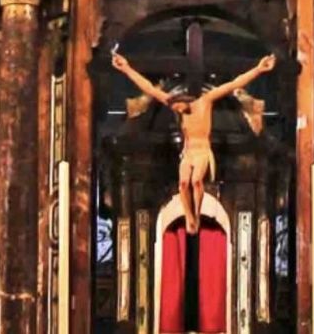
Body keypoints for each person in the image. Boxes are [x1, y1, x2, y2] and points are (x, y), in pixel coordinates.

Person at [111, 49, 276, 234]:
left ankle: (196, 216)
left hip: (203, 151)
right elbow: (149, 88)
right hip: (187, 152)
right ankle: (189, 217)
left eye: (178, 107)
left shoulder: (205, 102)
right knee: (183, 184)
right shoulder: (175, 105)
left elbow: (232, 85)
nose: (177, 112)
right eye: (174, 109)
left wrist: (258, 70)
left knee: (197, 181)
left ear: (184, 100)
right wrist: (126, 69)